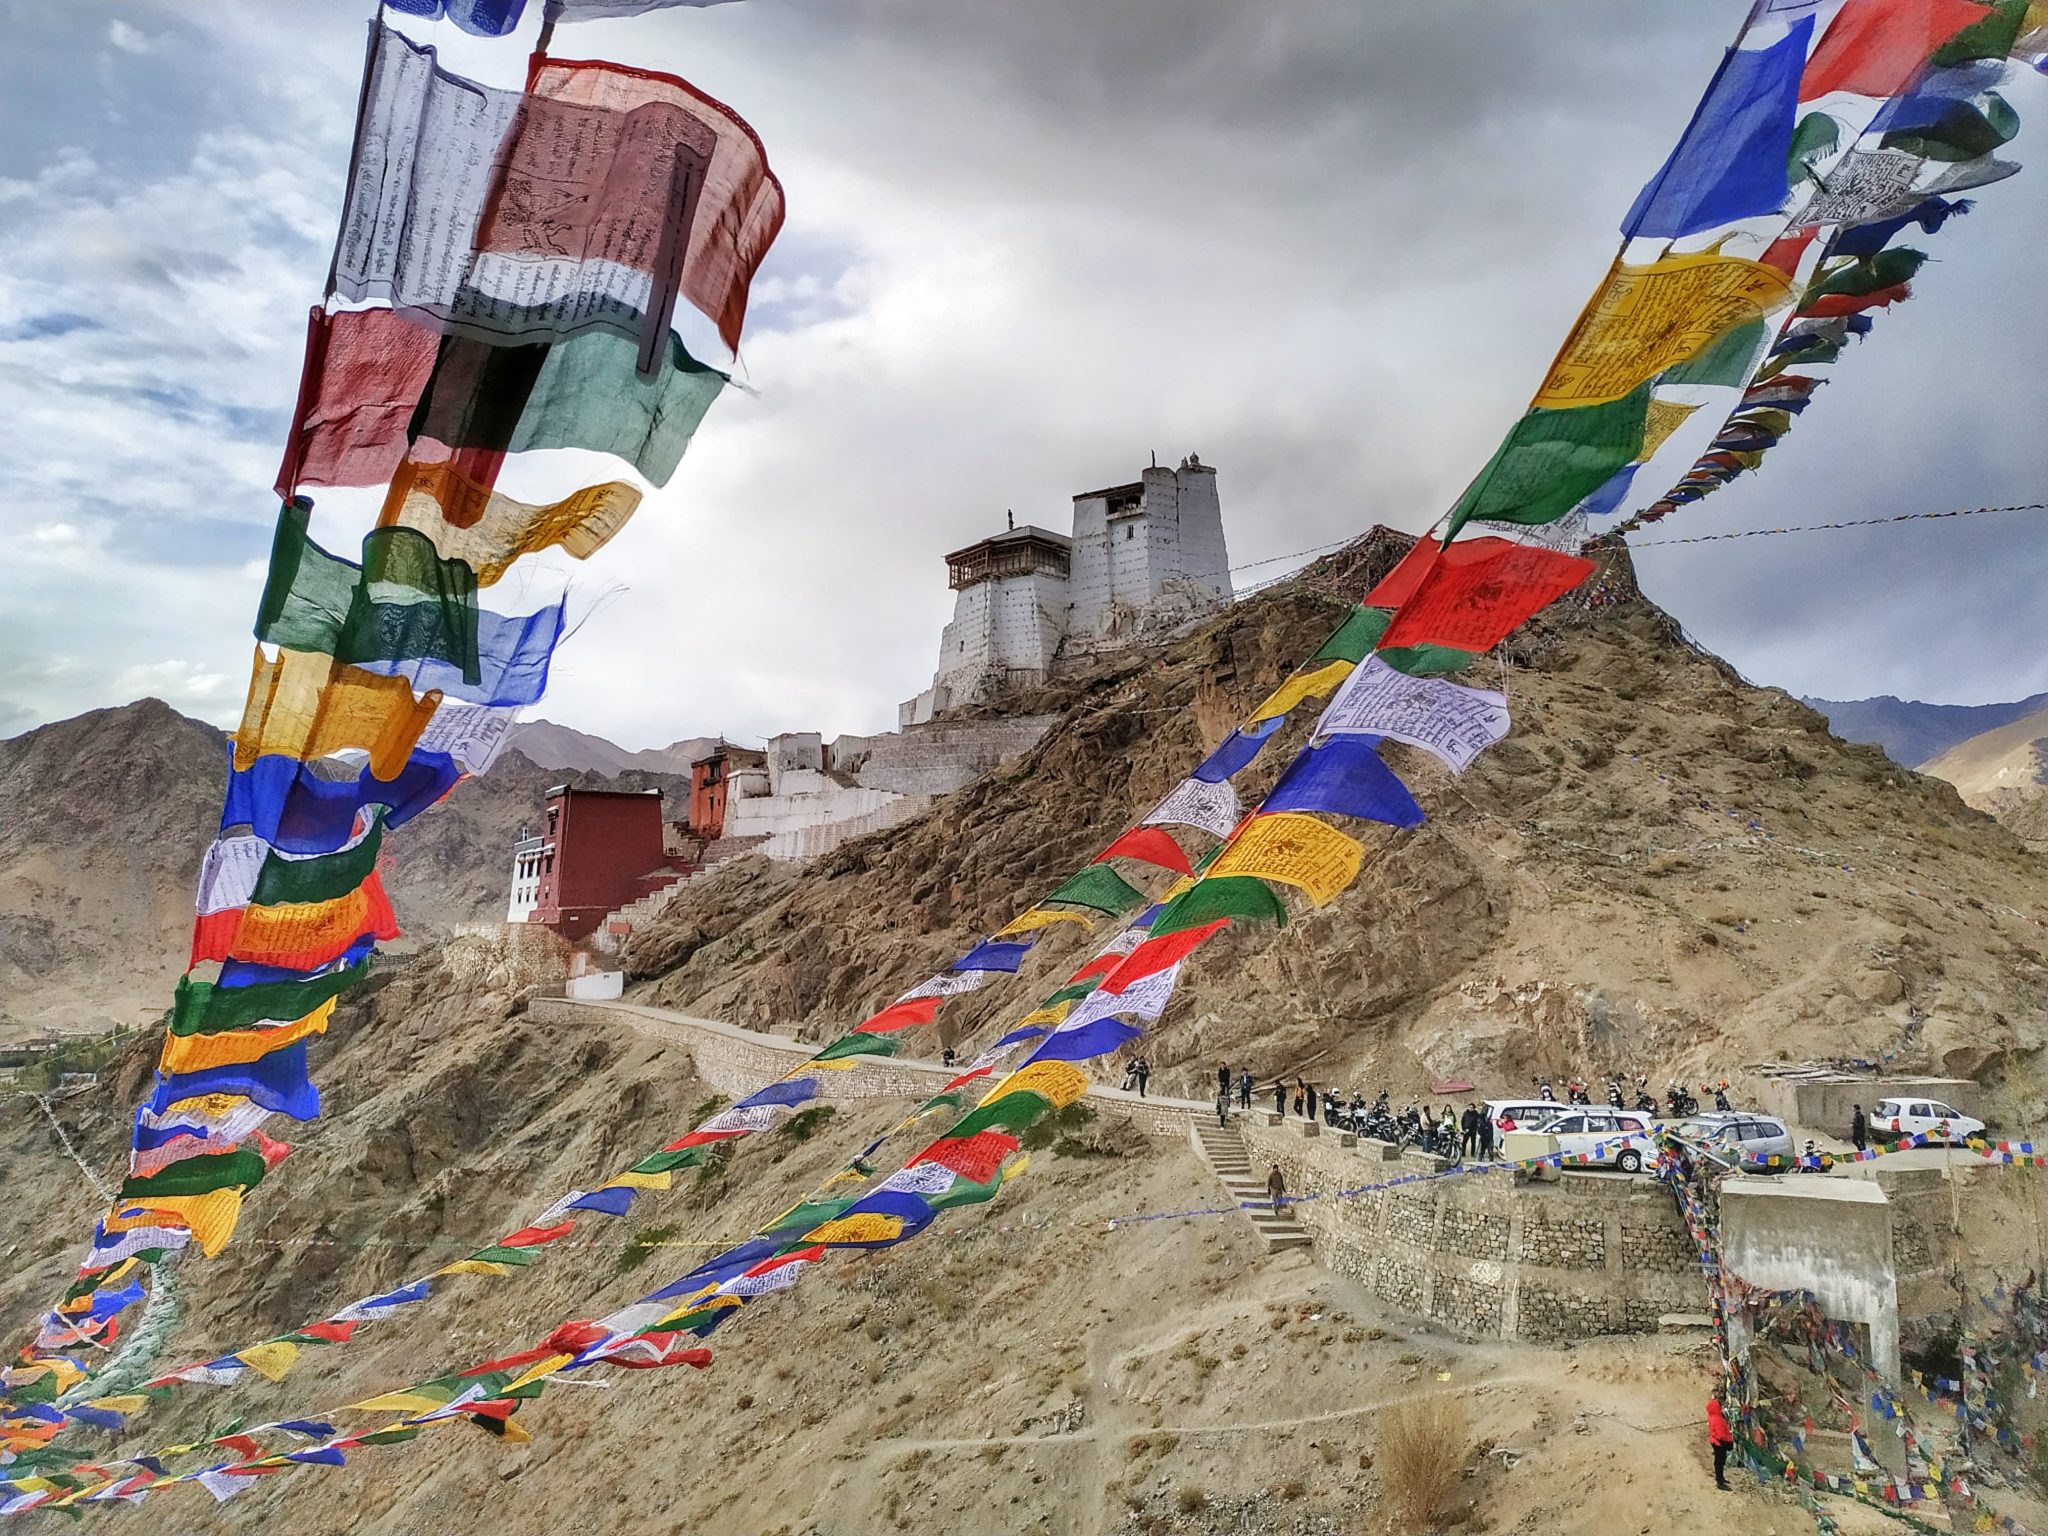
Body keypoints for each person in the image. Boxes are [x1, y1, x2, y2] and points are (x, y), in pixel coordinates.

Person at [1706, 1395, 1734, 1490]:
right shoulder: (1717, 1419)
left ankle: (1720, 1478)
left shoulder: (1713, 1417)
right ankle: (1720, 1482)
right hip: (1719, 1443)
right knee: (1720, 1462)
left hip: (1715, 1441)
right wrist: (1728, 1441)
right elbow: (1721, 1434)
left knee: (1719, 1461)